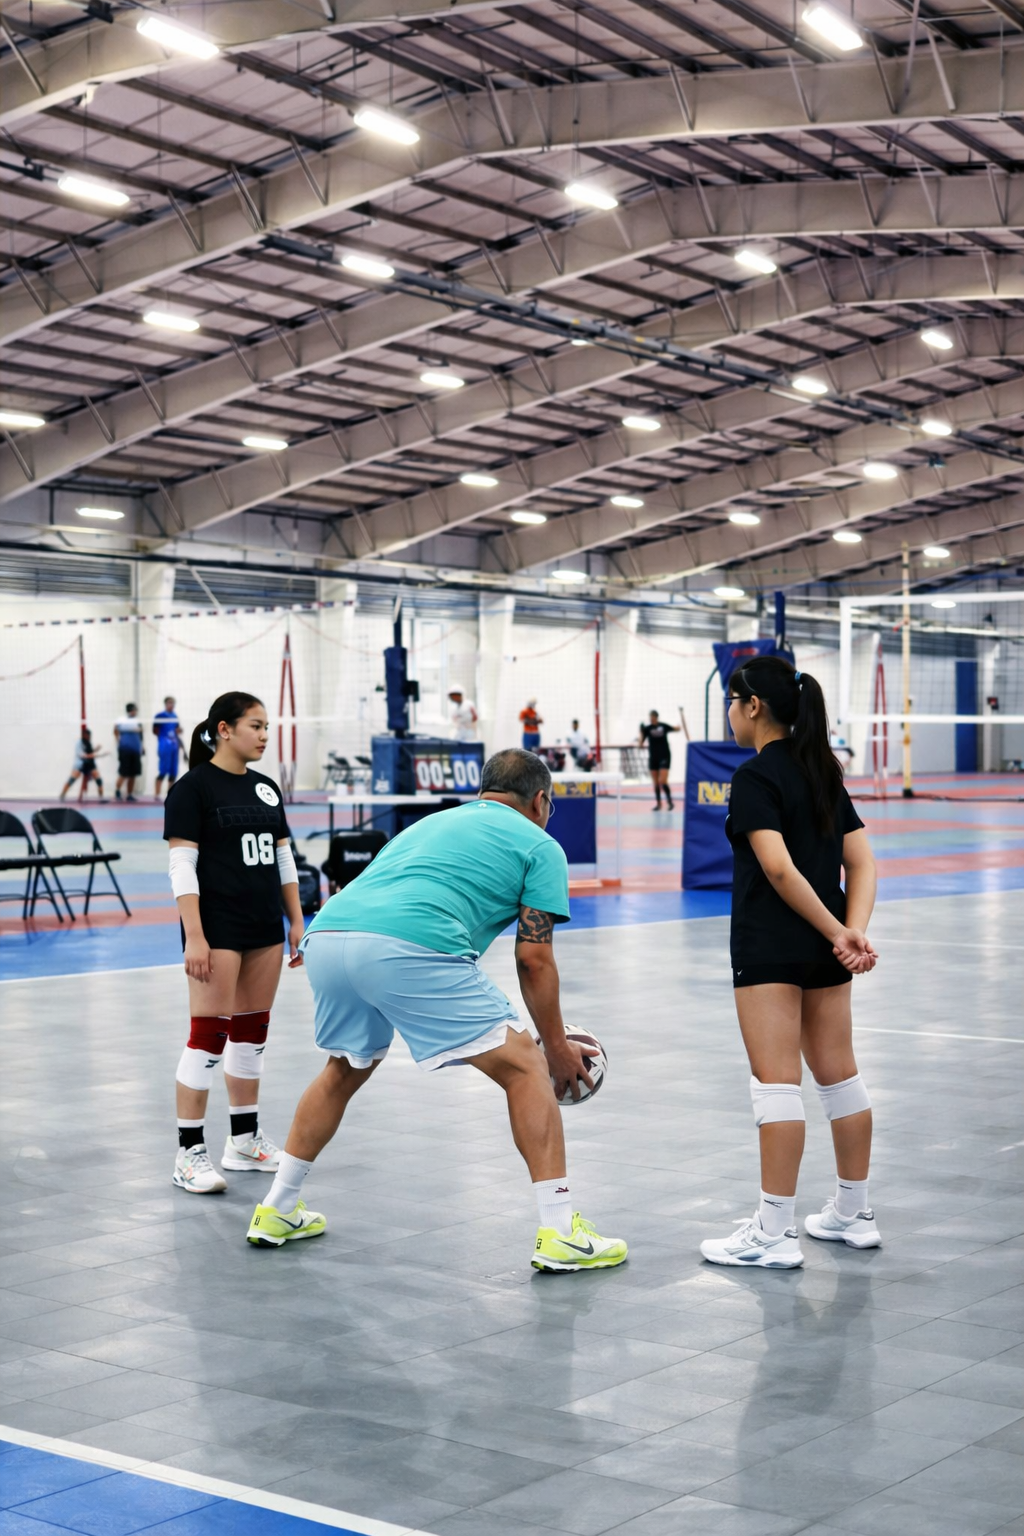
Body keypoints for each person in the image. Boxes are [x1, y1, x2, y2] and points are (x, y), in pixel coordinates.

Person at [244, 747, 627, 1274]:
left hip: (329, 935)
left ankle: (276, 1210)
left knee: (344, 1068)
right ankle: (561, 1234)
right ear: (541, 801)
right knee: (525, 1066)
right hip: (407, 944)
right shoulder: (542, 845)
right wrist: (555, 1048)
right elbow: (534, 959)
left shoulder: (432, 823)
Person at [700, 657, 880, 1270]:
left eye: (731, 700)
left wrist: (839, 931)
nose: (727, 712)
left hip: (771, 946)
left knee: (776, 1088)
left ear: (753, 707)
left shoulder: (754, 777)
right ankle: (853, 1213)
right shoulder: (822, 772)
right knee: (841, 1079)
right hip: (824, 949)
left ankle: (774, 1233)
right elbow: (863, 863)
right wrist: (849, 930)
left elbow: (778, 869)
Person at [164, 691, 304, 1195]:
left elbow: (284, 859)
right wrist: (195, 936)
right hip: (216, 929)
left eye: (267, 727)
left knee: (251, 1034)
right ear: (224, 729)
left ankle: (243, 1141)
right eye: (256, 726)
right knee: (208, 1036)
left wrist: (295, 919)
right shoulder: (192, 789)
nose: (265, 735)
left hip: (263, 926)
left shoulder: (267, 789)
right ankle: (189, 1152)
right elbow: (182, 866)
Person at [638, 710, 679, 810]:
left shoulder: (663, 726)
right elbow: (640, 744)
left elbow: (675, 729)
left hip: (664, 756)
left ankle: (670, 802)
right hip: (653, 757)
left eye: (653, 717)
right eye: (650, 717)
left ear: (656, 717)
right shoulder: (648, 729)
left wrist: (678, 726)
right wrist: (641, 732)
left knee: (663, 780)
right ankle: (659, 804)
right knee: (655, 782)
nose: (651, 719)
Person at [59, 727, 107, 802]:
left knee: (99, 780)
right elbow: (82, 755)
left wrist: (96, 750)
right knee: (72, 779)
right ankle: (62, 795)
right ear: (84, 735)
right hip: (81, 764)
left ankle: (101, 798)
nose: (88, 737)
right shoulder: (79, 742)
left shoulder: (89, 743)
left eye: (89, 735)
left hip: (90, 764)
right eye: (87, 735)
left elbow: (90, 752)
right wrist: (97, 755)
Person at [154, 696, 187, 798]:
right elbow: (155, 730)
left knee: (173, 772)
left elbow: (176, 732)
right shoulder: (160, 716)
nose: (171, 705)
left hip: (174, 747)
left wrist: (184, 749)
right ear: (165, 704)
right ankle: (157, 795)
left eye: (173, 703)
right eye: (169, 703)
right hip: (164, 746)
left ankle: (170, 795)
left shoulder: (174, 716)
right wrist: (164, 737)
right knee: (163, 771)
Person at [114, 703, 145, 802]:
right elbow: (115, 731)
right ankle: (118, 791)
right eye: (134, 710)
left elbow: (140, 735)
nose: (135, 712)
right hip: (125, 750)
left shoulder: (137, 721)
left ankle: (129, 794)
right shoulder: (121, 720)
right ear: (130, 710)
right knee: (124, 773)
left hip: (135, 751)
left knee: (133, 774)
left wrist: (142, 747)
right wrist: (119, 741)